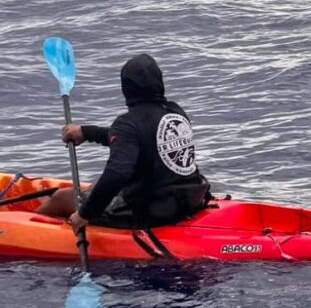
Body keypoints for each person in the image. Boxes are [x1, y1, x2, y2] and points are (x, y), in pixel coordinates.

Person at [36, 53, 210, 230]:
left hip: (151, 213)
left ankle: (31, 229)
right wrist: (86, 132)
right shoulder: (175, 112)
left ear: (126, 88)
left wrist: (84, 214)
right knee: (96, 187)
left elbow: (118, 174)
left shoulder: (128, 123)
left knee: (61, 198)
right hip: (189, 200)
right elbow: (133, 139)